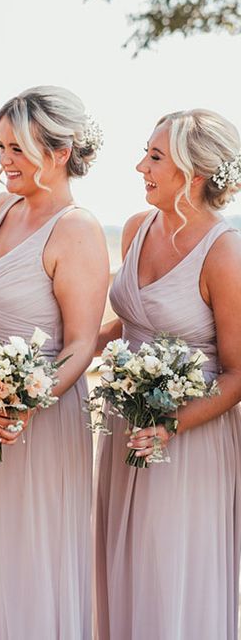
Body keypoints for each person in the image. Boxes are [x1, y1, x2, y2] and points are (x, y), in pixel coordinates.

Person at [0, 86, 109, 639]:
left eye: (16, 149)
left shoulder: (77, 229)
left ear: (60, 153)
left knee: (31, 553)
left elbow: (79, 342)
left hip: (39, 418)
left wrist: (29, 401)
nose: (3, 161)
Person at [94, 109, 241, 640]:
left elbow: (238, 372)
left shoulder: (224, 253)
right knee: (124, 562)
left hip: (188, 438)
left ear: (194, 173)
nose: (140, 166)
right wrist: (66, 355)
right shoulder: (138, 227)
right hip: (123, 426)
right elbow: (130, 319)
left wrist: (171, 424)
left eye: (154, 157)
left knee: (172, 573)